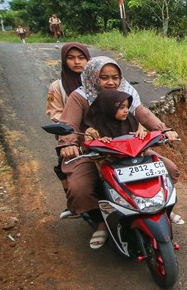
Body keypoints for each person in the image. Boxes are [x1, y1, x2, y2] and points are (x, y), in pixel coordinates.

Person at [57, 57, 179, 249]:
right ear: (93, 77)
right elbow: (68, 124)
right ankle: (100, 221)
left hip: (130, 149)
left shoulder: (127, 92)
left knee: (168, 170)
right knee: (80, 187)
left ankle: (163, 208)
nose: (111, 82)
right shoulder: (80, 97)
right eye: (104, 77)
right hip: (97, 152)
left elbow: (142, 113)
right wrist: (68, 143)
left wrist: (163, 130)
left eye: (115, 77)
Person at [46, 43, 91, 123]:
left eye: (81, 58)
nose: (77, 62)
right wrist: (72, 122)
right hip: (71, 132)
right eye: (71, 58)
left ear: (88, 59)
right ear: (64, 60)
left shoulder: (98, 82)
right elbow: (53, 112)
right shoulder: (55, 87)